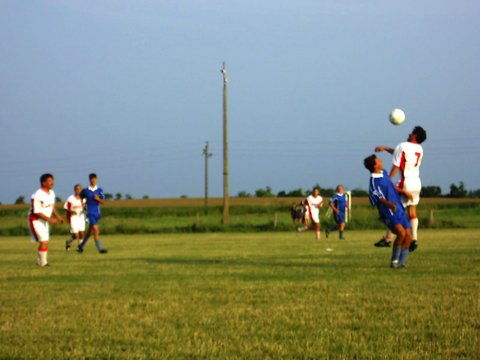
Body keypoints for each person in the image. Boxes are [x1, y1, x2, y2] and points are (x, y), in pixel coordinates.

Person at [374, 126, 427, 251]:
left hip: (406, 181)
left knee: (395, 210)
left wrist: (388, 179)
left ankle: (388, 239)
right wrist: (386, 148)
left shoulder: (402, 145)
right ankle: (414, 239)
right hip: (416, 182)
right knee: (412, 211)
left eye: (412, 133)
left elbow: (396, 165)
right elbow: (400, 154)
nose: (409, 134)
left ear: (415, 136)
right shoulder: (420, 148)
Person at [363, 154, 413, 268]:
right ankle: (394, 261)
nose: (381, 161)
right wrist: (389, 204)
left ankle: (402, 263)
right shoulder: (373, 182)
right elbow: (379, 197)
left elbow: (392, 186)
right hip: (387, 210)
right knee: (401, 233)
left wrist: (403, 191)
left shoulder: (384, 173)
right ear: (375, 166)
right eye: (378, 160)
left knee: (408, 237)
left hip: (398, 207)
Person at [28, 173, 64, 266]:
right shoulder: (37, 195)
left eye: (52, 180)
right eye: (49, 181)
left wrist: (58, 216)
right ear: (43, 183)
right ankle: (43, 263)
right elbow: (37, 212)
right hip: (35, 220)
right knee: (44, 241)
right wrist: (50, 220)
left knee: (45, 241)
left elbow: (50, 207)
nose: (52, 182)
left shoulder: (51, 193)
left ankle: (40, 262)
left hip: (45, 220)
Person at [76, 173, 108, 254]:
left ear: (96, 179)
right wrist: (83, 203)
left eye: (94, 179)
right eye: (91, 179)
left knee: (89, 232)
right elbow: (81, 196)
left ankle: (81, 246)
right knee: (96, 230)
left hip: (97, 213)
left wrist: (98, 199)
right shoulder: (86, 190)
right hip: (89, 212)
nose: (93, 180)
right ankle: (100, 249)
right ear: (89, 180)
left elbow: (103, 202)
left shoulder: (99, 190)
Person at [64, 184, 86, 251]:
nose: (78, 190)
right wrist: (71, 211)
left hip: (82, 217)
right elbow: (65, 207)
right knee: (75, 235)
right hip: (74, 218)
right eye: (77, 189)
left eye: (79, 189)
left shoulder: (84, 198)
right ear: (74, 190)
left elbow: (85, 206)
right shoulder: (70, 198)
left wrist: (85, 207)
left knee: (81, 233)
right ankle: (68, 242)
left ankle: (80, 247)